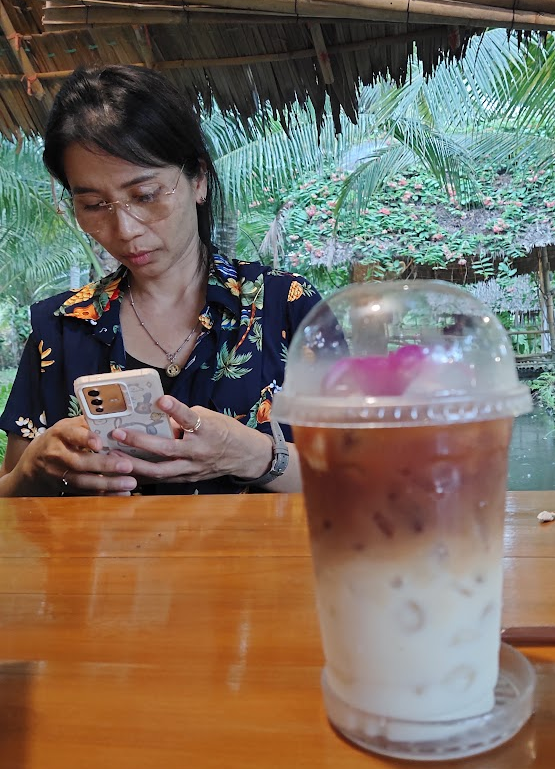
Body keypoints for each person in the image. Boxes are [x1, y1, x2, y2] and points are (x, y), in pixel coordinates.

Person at [0, 65, 322, 496]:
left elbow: (368, 477)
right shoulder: (60, 328)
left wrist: (257, 456)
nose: (125, 229)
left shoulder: (288, 306)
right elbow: (10, 497)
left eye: (146, 195)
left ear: (198, 179)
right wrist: (31, 471)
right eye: (93, 204)